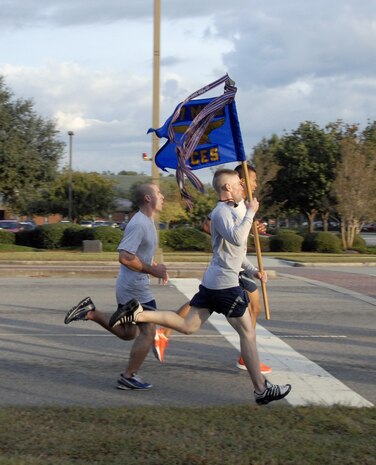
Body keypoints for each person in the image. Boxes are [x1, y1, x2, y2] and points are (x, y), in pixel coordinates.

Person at [109, 169, 292, 405]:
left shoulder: (232, 212)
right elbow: (237, 238)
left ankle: (138, 314)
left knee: (187, 326)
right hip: (225, 285)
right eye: (238, 184)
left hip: (215, 282)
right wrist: (251, 213)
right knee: (248, 333)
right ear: (227, 188)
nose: (242, 187)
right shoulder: (221, 213)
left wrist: (252, 270)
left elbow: (236, 252)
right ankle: (261, 389)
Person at [154, 163, 272, 375]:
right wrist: (227, 240)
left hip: (237, 264)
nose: (254, 184)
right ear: (239, 182)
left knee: (223, 305)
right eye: (251, 181)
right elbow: (214, 227)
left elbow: (242, 231)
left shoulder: (241, 204)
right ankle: (248, 360)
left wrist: (254, 228)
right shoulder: (225, 207)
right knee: (246, 308)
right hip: (227, 267)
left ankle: (160, 327)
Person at [64, 183, 168, 390]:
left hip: (130, 286)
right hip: (135, 289)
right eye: (158, 193)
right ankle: (129, 376)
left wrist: (152, 265)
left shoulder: (146, 221)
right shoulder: (139, 223)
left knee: (129, 333)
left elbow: (136, 255)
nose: (163, 196)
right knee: (148, 332)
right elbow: (125, 257)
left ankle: (90, 312)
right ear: (148, 198)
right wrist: (151, 270)